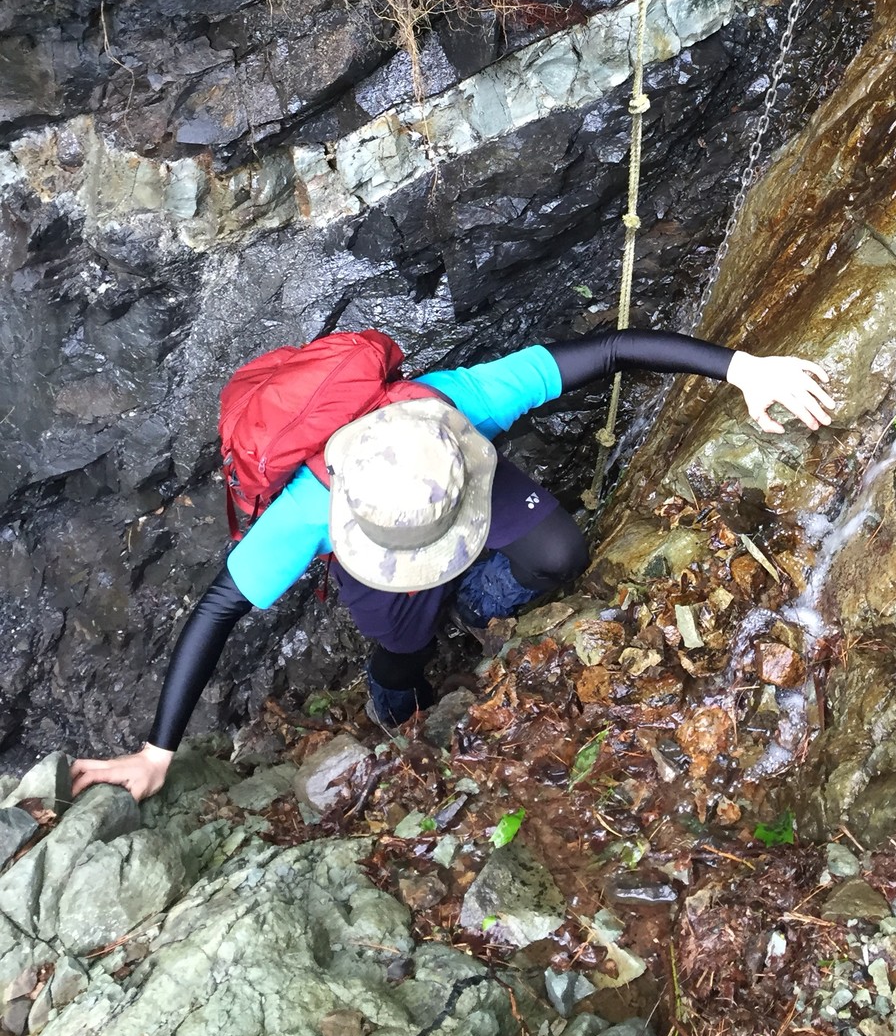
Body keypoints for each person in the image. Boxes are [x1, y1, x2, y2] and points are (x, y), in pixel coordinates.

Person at [70, 328, 834, 800]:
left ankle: (473, 605)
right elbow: (216, 609)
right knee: (404, 646)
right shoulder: (307, 509)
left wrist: (742, 369)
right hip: (374, 558)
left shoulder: (454, 400)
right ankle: (391, 693)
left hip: (454, 478)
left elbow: (608, 347)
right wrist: (155, 750)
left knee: (559, 551)